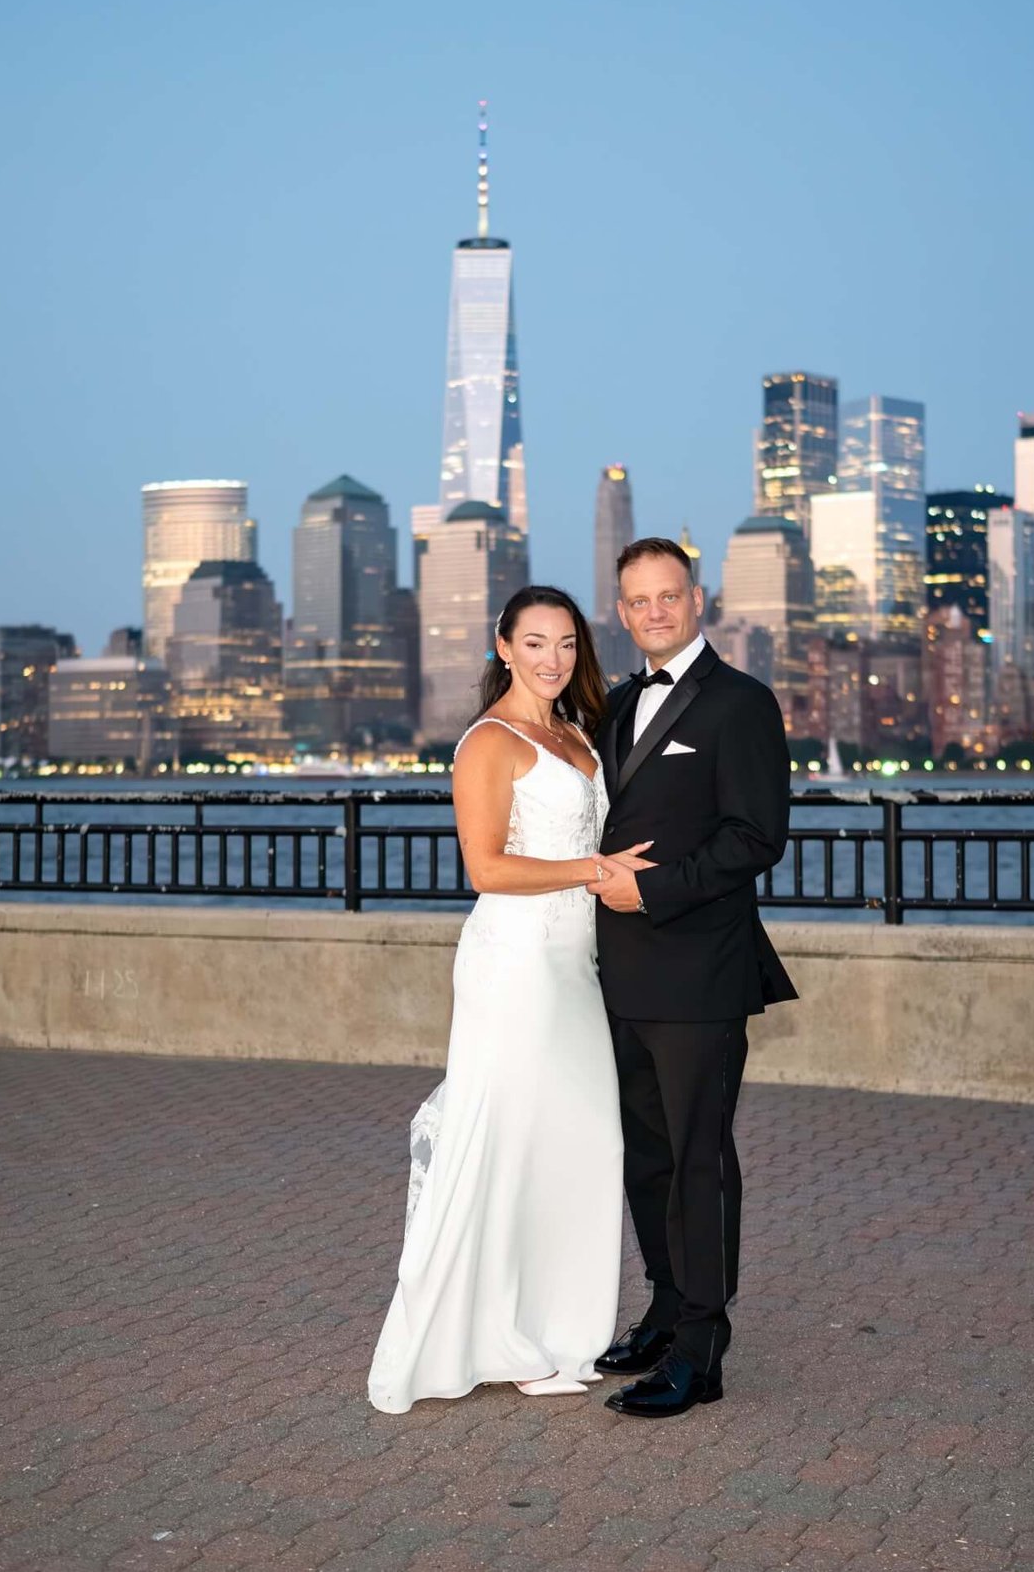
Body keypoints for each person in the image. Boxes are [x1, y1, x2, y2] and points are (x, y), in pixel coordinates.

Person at [366, 585, 655, 1412]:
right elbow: (486, 868)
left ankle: (562, 1326)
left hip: (575, 966)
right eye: (535, 643)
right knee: (509, 1143)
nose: (553, 659)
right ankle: (501, 1336)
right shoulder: (488, 742)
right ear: (503, 646)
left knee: (583, 1141)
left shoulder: (572, 734)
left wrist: (612, 862)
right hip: (516, 964)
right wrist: (594, 870)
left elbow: (582, 835)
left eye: (566, 644)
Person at [584, 537, 796, 1419]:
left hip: (701, 974)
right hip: (620, 976)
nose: (656, 611)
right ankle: (668, 1310)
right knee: (648, 1159)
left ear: (697, 599)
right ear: (624, 611)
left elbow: (756, 837)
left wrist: (653, 889)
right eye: (639, 600)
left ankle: (702, 1352)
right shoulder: (617, 703)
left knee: (701, 1162)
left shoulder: (742, 703)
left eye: (670, 595)